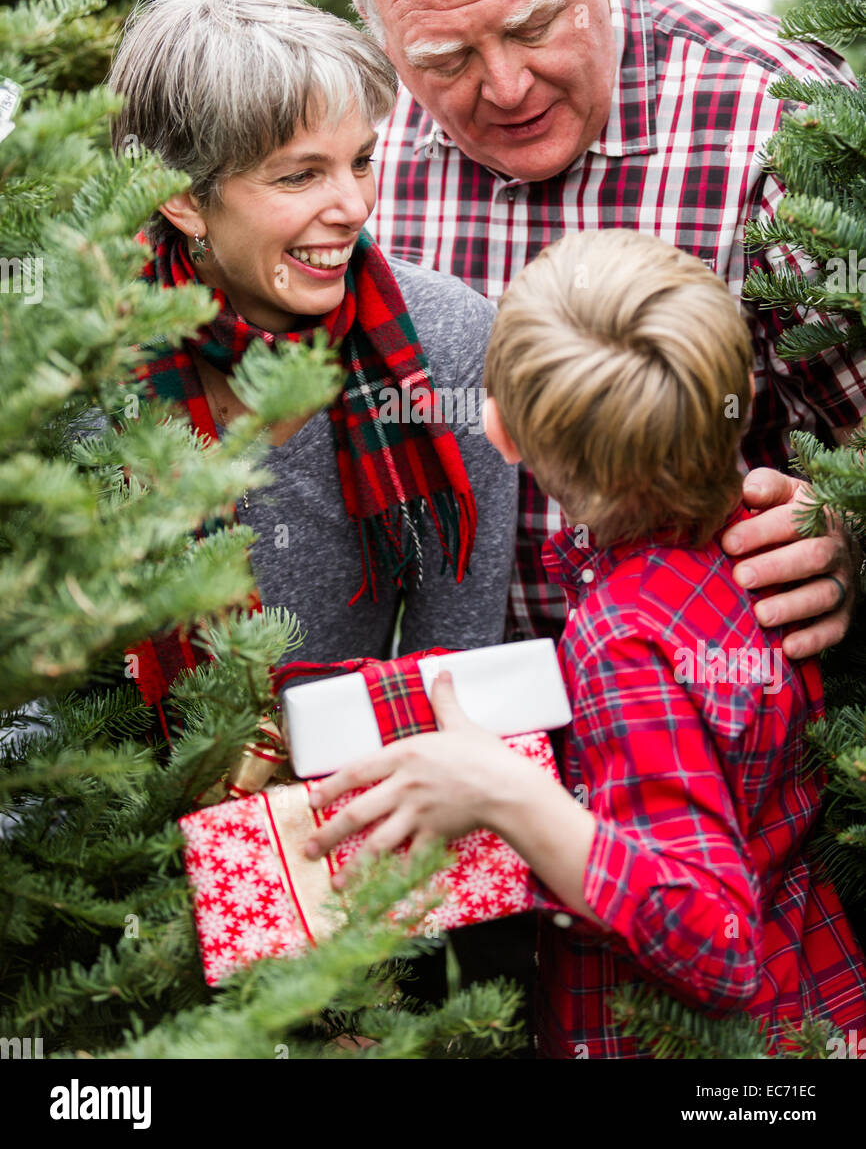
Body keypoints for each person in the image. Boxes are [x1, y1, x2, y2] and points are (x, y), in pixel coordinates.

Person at [304, 229, 866, 1059]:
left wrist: (509, 797)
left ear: (500, 432)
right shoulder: (762, 547)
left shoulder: (624, 639)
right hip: (819, 991)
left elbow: (715, 939)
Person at [332, 0, 866, 657]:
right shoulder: (349, 156)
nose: (505, 86)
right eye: (445, 59)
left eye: (533, 25)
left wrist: (848, 533)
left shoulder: (773, 118)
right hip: (473, 729)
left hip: (720, 723)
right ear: (383, 40)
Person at [106, 0, 517, 694]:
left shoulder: (446, 342)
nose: (355, 206)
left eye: (360, 160)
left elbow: (454, 670)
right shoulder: (80, 371)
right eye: (300, 177)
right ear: (181, 197)